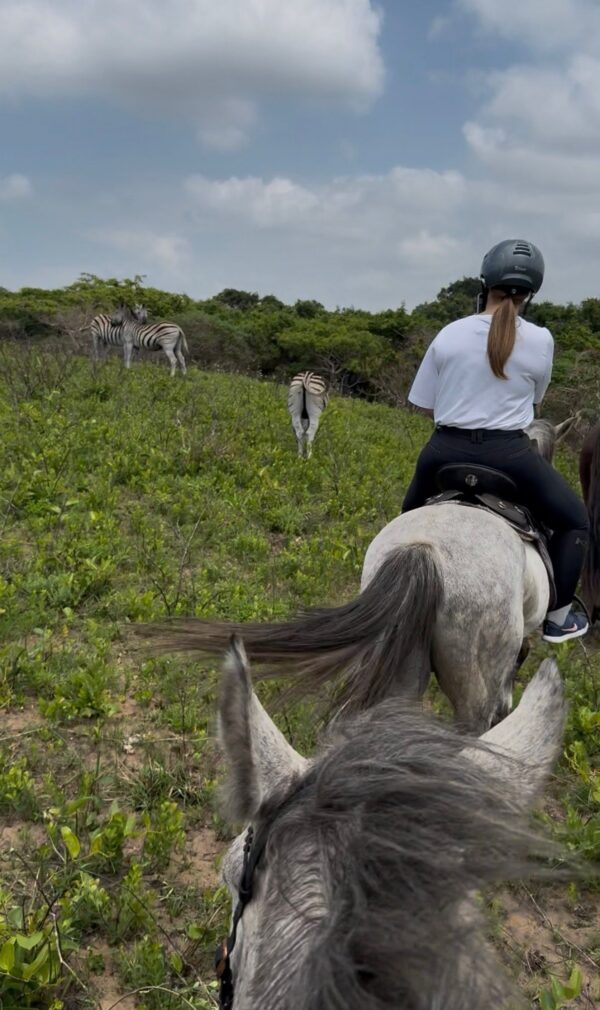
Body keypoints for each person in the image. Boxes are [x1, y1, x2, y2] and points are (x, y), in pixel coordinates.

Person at [403, 239, 589, 644]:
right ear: (530, 294)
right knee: (575, 521)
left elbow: (424, 405)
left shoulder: (449, 333)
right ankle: (558, 617)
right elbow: (535, 402)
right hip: (510, 455)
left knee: (406, 520)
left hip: (443, 452)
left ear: (484, 283)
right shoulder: (541, 339)